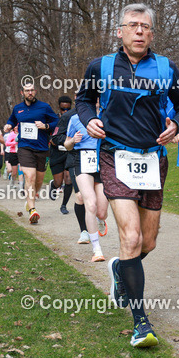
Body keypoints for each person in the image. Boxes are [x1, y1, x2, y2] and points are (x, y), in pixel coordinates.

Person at [75, 3, 179, 348]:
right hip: (115, 156)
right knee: (130, 238)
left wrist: (177, 124)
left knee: (148, 242)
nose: (139, 31)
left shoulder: (166, 67)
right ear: (120, 31)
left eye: (145, 27)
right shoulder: (101, 66)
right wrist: (88, 120)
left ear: (152, 34)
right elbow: (84, 99)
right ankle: (141, 322)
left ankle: (120, 271)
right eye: (133, 25)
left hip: (153, 159)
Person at [7, 83, 59, 223]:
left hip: (42, 147)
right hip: (25, 147)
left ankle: (29, 201)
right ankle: (32, 210)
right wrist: (9, 125)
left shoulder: (44, 107)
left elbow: (56, 120)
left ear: (35, 92)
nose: (29, 93)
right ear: (22, 93)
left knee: (39, 180)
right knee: (30, 176)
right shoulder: (18, 108)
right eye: (27, 90)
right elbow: (12, 119)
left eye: (31, 90)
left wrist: (46, 126)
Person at [62, 112, 109, 262]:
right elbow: (67, 145)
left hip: (103, 161)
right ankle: (97, 250)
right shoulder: (75, 119)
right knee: (90, 204)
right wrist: (73, 141)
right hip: (82, 161)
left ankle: (100, 220)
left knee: (101, 213)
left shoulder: (107, 115)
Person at [48, 96, 74, 214]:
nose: (65, 112)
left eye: (68, 109)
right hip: (56, 153)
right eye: (63, 109)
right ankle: (53, 186)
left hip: (69, 153)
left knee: (68, 180)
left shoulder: (74, 118)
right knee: (59, 182)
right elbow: (51, 137)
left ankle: (64, 205)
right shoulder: (55, 119)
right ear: (59, 107)